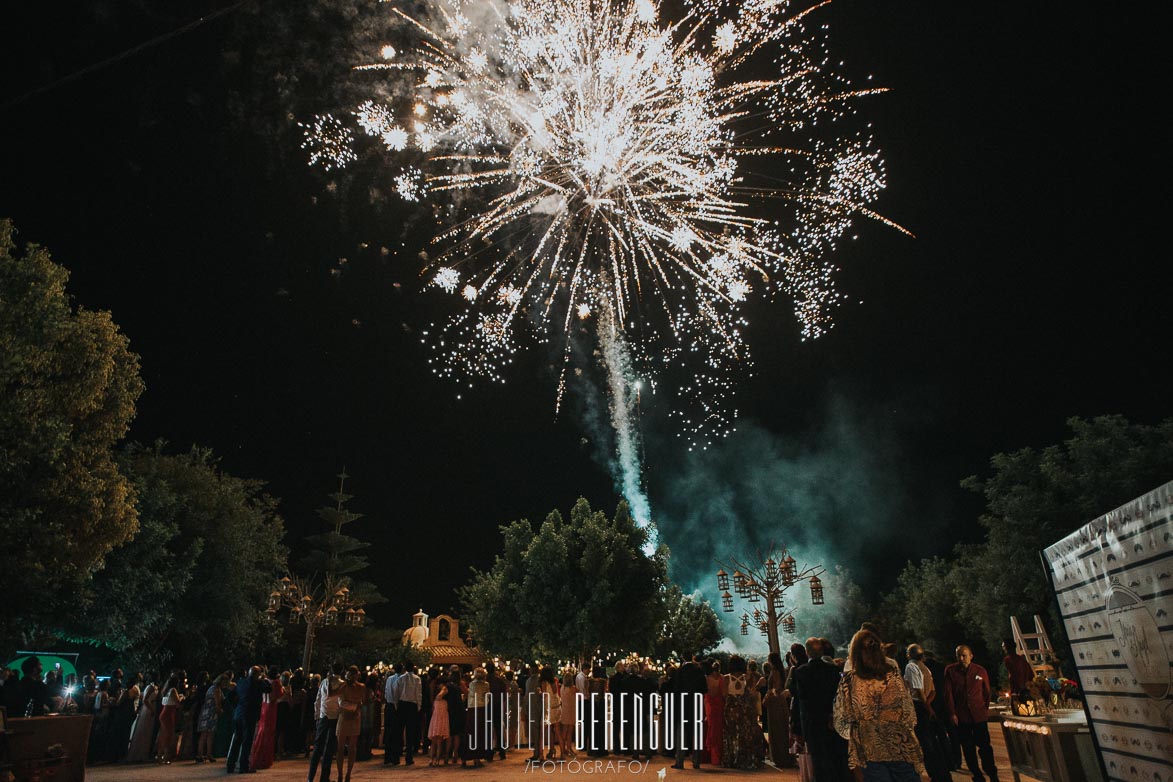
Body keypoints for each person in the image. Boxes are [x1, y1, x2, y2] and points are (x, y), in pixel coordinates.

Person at [832, 630, 923, 782]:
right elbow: (909, 713)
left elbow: (842, 720)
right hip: (901, 745)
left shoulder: (849, 681)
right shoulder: (893, 675)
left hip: (870, 748)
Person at [790, 638, 850, 782]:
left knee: (819, 762)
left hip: (812, 723)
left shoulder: (801, 672)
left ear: (807, 652)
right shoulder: (834, 670)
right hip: (831, 720)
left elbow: (800, 701)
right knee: (835, 759)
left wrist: (797, 728)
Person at [943, 646, 999, 782]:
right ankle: (977, 774)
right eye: (959, 656)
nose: (962, 658)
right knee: (968, 748)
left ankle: (992, 773)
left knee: (985, 746)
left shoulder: (980, 670)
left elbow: (986, 692)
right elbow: (948, 694)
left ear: (971, 656)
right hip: (962, 717)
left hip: (978, 715)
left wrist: (983, 709)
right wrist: (952, 713)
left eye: (964, 655)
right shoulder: (950, 671)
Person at [905, 644, 951, 782]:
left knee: (926, 744)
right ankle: (942, 774)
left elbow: (919, 691)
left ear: (910, 654)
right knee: (931, 742)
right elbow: (933, 690)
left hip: (919, 707)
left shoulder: (911, 667)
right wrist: (929, 704)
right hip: (926, 705)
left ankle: (936, 774)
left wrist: (926, 707)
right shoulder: (925, 668)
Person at [227, 665, 271, 774]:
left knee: (237, 739)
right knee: (247, 741)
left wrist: (236, 706)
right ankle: (243, 766)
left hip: (239, 712)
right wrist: (264, 679)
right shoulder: (259, 683)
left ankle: (230, 765)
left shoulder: (241, 682)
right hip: (250, 715)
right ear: (257, 674)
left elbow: (230, 695)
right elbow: (269, 689)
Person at [722, 655, 763, 769]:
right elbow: (750, 693)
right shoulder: (746, 677)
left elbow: (724, 694)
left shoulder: (726, 678)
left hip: (731, 708)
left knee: (731, 733)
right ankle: (745, 758)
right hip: (744, 708)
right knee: (745, 733)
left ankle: (731, 757)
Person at [307, 664, 343, 782]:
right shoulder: (342, 684)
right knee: (329, 749)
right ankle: (324, 778)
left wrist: (317, 716)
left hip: (323, 716)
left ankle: (310, 778)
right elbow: (341, 702)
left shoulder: (324, 682)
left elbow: (318, 700)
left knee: (318, 748)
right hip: (334, 717)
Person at [673, 656, 708, 770]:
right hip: (696, 703)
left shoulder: (680, 671)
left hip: (683, 704)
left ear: (683, 658)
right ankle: (696, 761)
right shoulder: (699, 671)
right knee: (696, 734)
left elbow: (676, 689)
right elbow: (704, 689)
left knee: (681, 734)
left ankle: (680, 761)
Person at [335, 665, 368, 782]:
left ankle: (348, 773)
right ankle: (340, 774)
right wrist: (355, 705)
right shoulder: (343, 686)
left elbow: (363, 700)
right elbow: (341, 702)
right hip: (345, 717)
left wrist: (356, 705)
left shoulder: (361, 687)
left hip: (354, 718)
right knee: (340, 747)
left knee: (352, 748)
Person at [250, 666, 283, 769]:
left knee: (261, 732)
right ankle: (264, 759)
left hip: (264, 706)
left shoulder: (264, 681)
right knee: (268, 734)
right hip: (271, 708)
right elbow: (275, 696)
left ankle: (256, 757)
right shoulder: (276, 683)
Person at [392, 662, 423, 765]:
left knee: (399, 731)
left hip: (402, 704)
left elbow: (396, 692)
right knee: (410, 733)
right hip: (412, 706)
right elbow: (418, 694)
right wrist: (418, 706)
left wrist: (396, 705)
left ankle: (396, 757)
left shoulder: (400, 678)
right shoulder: (417, 679)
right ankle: (408, 758)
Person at [126, 672, 159, 762]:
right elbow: (145, 700)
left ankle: (144, 753)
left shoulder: (150, 687)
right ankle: (141, 754)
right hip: (149, 710)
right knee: (145, 731)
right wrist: (152, 709)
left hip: (150, 708)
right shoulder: (151, 687)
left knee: (147, 731)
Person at [463, 666, 491, 767]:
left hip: (471, 709)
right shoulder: (486, 685)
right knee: (479, 733)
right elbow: (487, 696)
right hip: (481, 709)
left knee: (471, 732)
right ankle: (477, 758)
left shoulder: (471, 684)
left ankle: (468, 756)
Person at [197, 672, 228, 762]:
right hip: (211, 712)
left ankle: (203, 754)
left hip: (206, 711)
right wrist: (220, 711)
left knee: (205, 734)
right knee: (209, 734)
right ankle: (207, 754)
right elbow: (218, 702)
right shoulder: (217, 689)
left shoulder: (212, 687)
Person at [155, 671, 185, 763]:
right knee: (168, 735)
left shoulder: (166, 690)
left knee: (164, 735)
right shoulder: (173, 690)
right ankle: (165, 756)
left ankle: (160, 755)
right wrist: (182, 697)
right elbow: (178, 703)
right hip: (169, 713)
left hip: (165, 712)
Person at [704, 658, 726, 766]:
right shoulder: (722, 678)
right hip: (719, 705)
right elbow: (723, 694)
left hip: (710, 705)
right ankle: (718, 756)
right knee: (719, 729)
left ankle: (713, 755)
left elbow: (706, 692)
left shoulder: (707, 678)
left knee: (711, 728)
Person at [428, 675, 451, 766]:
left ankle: (434, 759)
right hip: (439, 717)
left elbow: (438, 696)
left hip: (438, 717)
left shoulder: (443, 690)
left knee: (436, 741)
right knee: (437, 741)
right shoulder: (442, 698)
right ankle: (435, 759)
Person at [383, 664, 402, 764]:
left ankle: (387, 756)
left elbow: (387, 691)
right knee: (396, 732)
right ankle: (394, 757)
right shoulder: (401, 679)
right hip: (395, 706)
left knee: (388, 731)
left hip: (389, 705)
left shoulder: (389, 679)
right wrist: (396, 705)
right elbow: (396, 693)